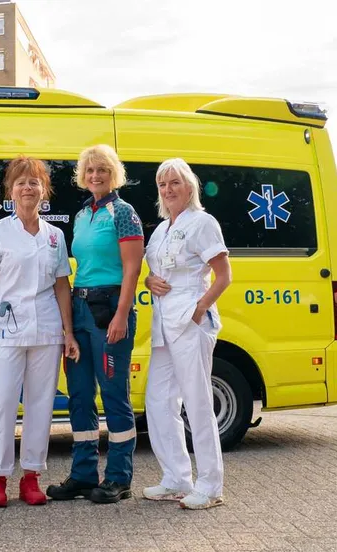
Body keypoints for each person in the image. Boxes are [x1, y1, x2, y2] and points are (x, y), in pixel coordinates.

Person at [0, 155, 79, 508]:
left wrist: (68, 332)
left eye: (34, 182)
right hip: (5, 330)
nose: (27, 187)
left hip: (47, 330)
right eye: (21, 182)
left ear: (43, 190)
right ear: (11, 190)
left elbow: (62, 285)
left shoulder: (55, 235)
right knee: (1, 401)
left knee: (40, 405)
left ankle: (31, 476)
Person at [47, 144, 144, 504]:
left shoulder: (124, 213)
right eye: (89, 171)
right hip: (81, 307)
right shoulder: (81, 213)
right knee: (80, 395)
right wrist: (69, 326)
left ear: (113, 174)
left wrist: (122, 314)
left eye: (102, 170)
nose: (95, 176)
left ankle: (119, 478)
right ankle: (84, 475)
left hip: (110, 312)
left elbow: (132, 268)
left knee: (114, 395)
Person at [142, 158, 232, 510]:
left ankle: (210, 485)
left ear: (189, 186)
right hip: (164, 324)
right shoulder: (161, 229)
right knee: (159, 400)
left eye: (174, 182)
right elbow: (153, 272)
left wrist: (199, 309)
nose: (168, 189)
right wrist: (149, 280)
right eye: (162, 184)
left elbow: (224, 275)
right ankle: (176, 478)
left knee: (196, 402)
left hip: (190, 321)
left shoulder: (202, 223)